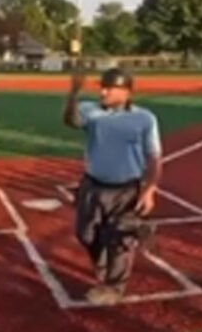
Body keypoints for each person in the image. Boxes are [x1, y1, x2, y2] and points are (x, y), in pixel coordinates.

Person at [62, 66, 162, 306]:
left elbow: (154, 156)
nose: (103, 92)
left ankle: (114, 287)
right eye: (102, 86)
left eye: (110, 87)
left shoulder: (144, 118)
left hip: (126, 189)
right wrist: (74, 93)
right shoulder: (91, 110)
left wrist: (149, 189)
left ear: (126, 91)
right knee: (85, 234)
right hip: (92, 185)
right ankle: (105, 264)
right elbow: (71, 120)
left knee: (120, 240)